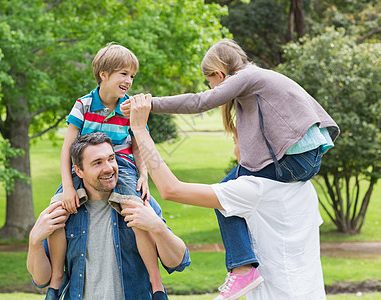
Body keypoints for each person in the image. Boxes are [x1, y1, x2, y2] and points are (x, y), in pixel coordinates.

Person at [121, 39, 339, 299]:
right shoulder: (303, 192)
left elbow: (171, 187)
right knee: (226, 193)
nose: (240, 144)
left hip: (293, 163)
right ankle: (243, 267)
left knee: (225, 193)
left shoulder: (245, 78)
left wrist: (147, 110)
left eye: (210, 80)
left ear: (220, 74)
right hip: (305, 165)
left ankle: (242, 270)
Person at [47, 43, 167, 299]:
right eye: (123, 74)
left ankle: (157, 285)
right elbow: (67, 149)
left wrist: (143, 174)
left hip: (121, 165)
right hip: (84, 166)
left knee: (136, 211)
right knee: (56, 211)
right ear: (104, 74)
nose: (129, 80)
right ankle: (56, 280)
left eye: (132, 76)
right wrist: (68, 186)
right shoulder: (84, 104)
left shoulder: (128, 108)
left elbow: (137, 145)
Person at [27, 132, 190, 300]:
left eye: (111, 159)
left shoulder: (137, 200)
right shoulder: (65, 211)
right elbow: (41, 279)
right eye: (97, 163)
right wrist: (34, 241)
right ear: (79, 171)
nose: (109, 168)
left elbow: (177, 261)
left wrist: (158, 227)